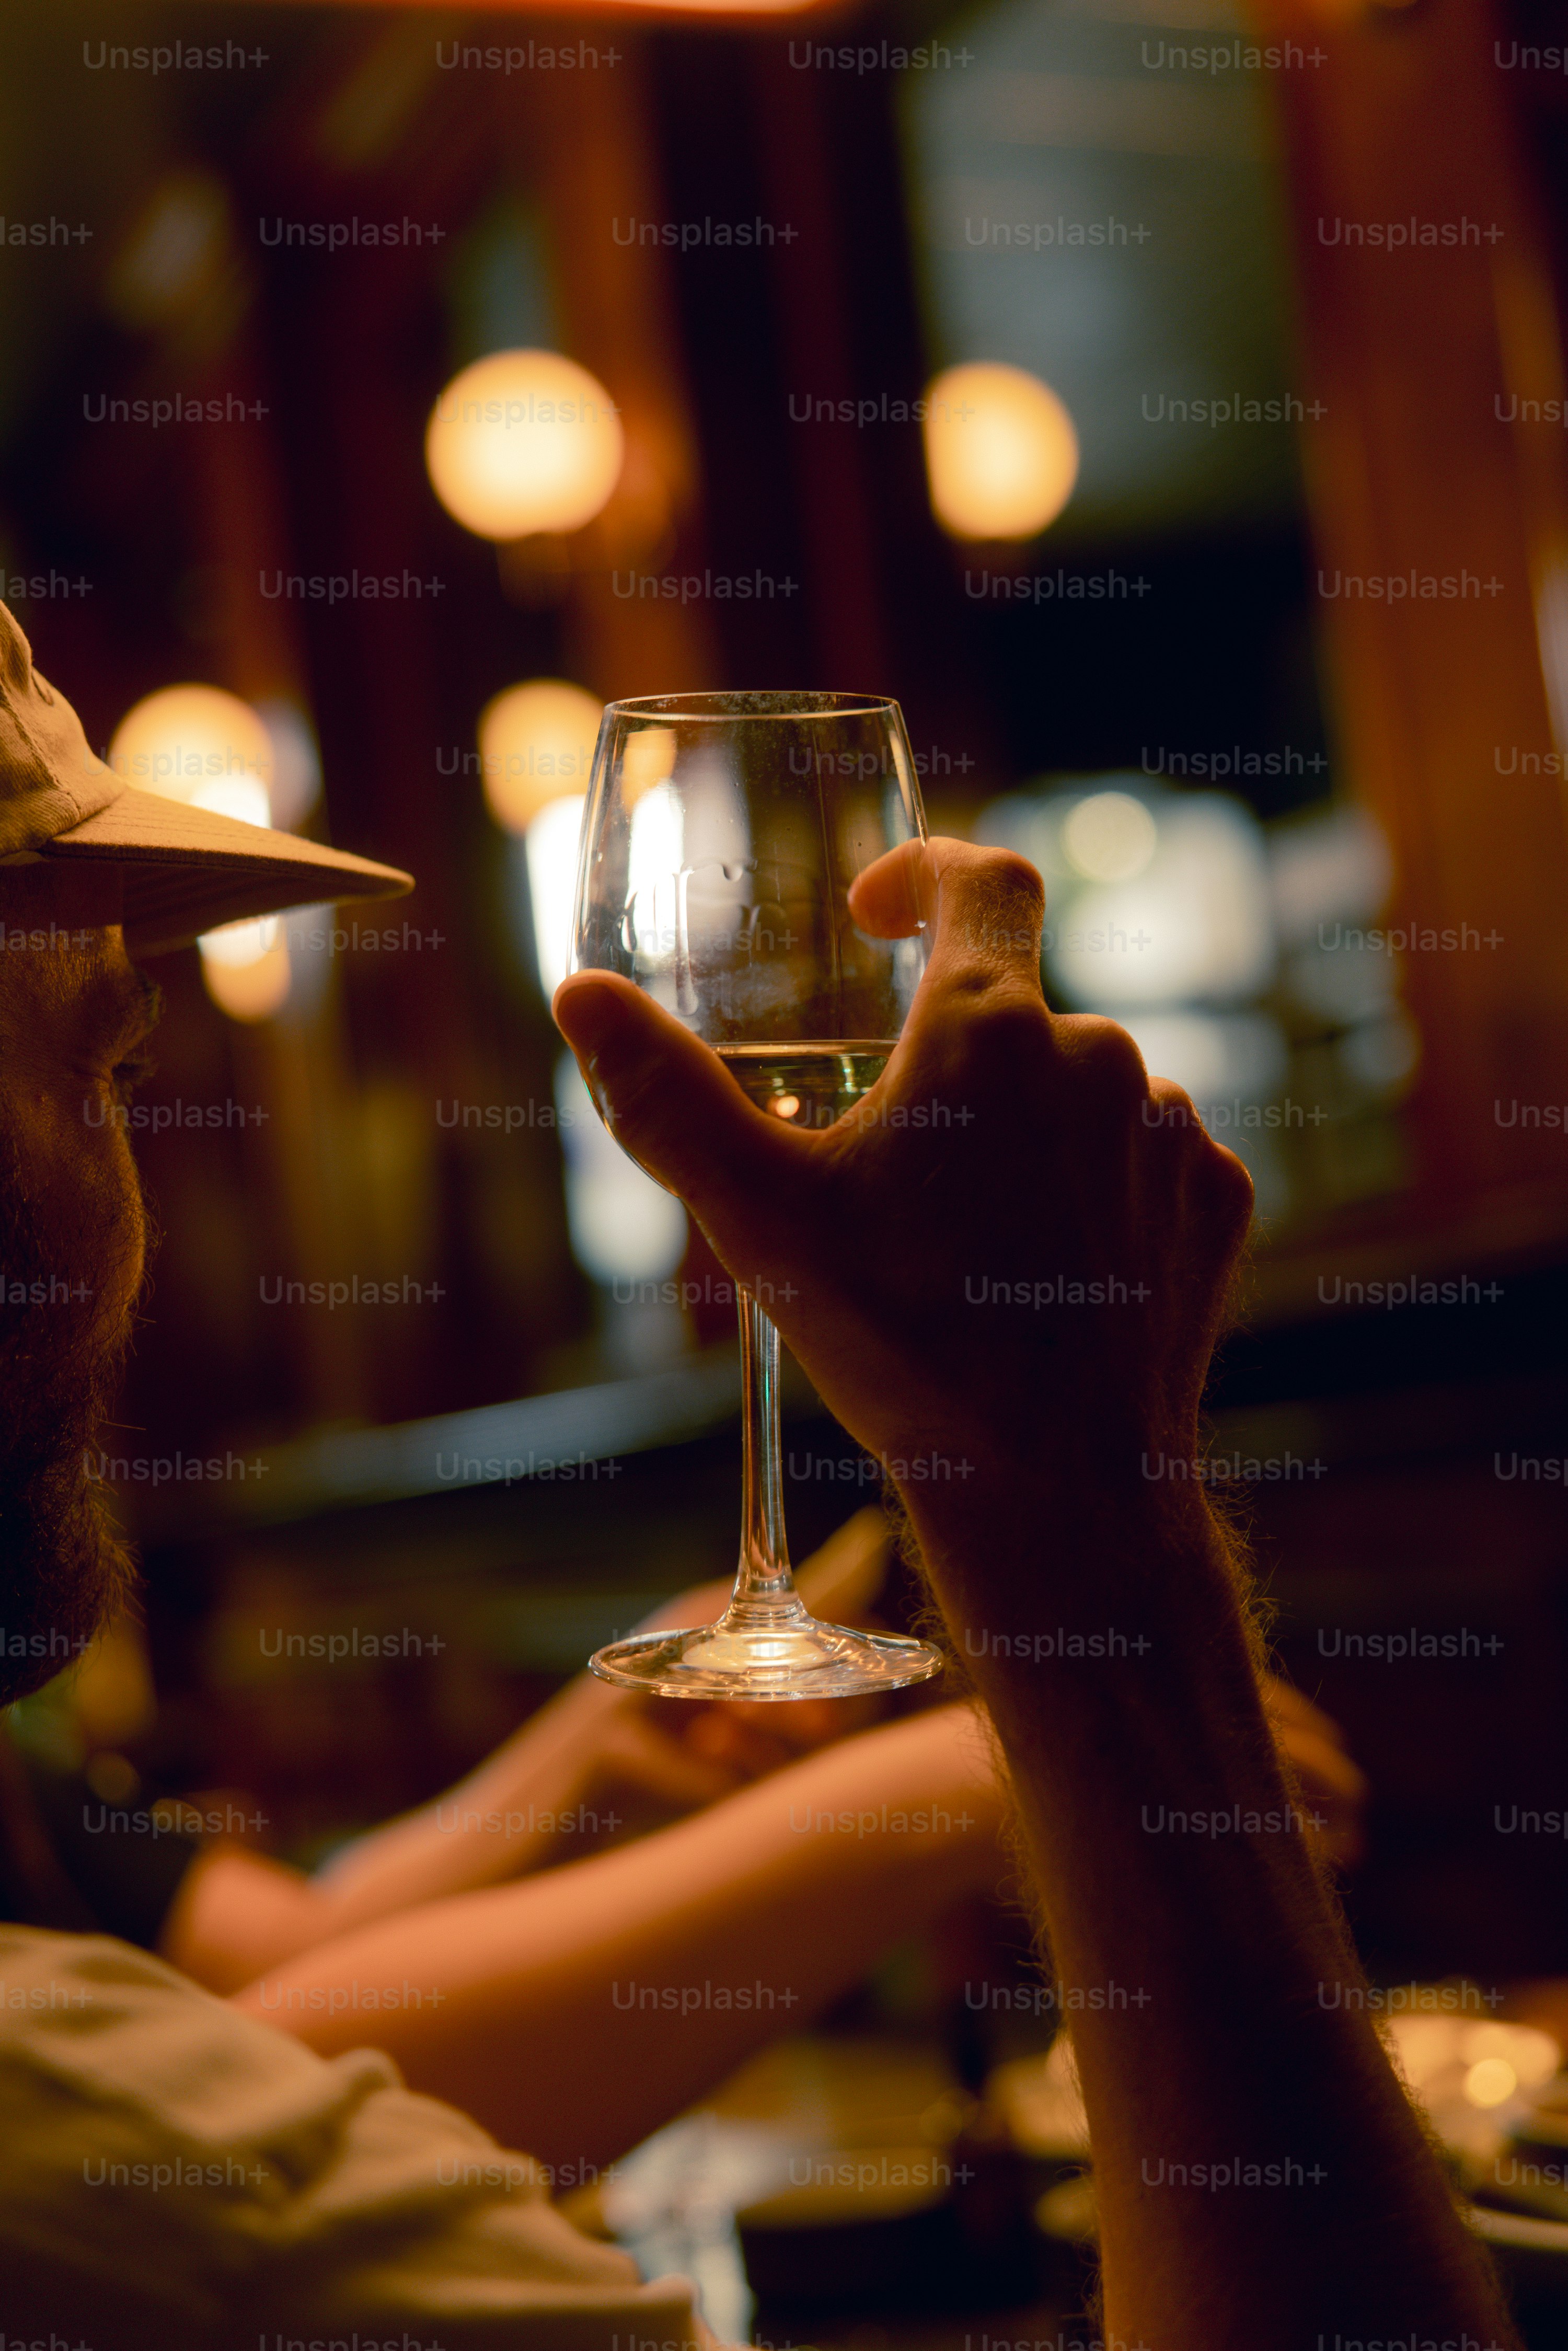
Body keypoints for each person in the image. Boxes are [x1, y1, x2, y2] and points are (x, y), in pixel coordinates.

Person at [0, 601, 1515, 2345]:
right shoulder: (103, 2175)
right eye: (111, 1063)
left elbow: (263, 1988)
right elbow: (234, 2104)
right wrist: (1085, 1551)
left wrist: (602, 1756)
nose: (147, 1191)